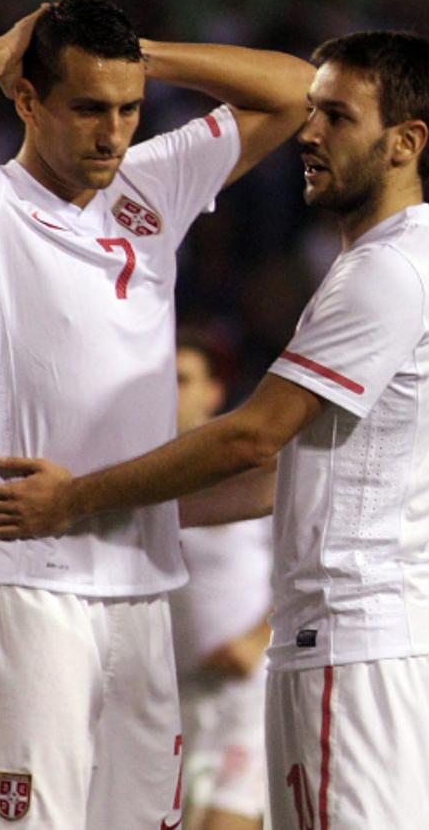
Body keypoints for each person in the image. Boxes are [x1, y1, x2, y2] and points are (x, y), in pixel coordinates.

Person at [0, 30, 429, 830]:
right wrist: (121, 512)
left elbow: (253, 438)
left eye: (336, 117)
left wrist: (78, 500)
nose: (308, 133)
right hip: (349, 636)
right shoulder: (390, 262)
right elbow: (285, 473)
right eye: (315, 115)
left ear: (406, 142)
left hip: (357, 632)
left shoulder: (388, 273)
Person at [0, 0, 313, 828]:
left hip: (142, 596)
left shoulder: (151, 182)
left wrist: (143, 55)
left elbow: (298, 90)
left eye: (127, 109)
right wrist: (10, 44)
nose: (112, 131)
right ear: (27, 98)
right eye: (87, 108)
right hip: (25, 580)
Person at [170, 332, 272, 830]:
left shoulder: (246, 465)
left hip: (242, 690)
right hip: (166, 693)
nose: (171, 392)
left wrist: (258, 640)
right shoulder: (129, 473)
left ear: (213, 392)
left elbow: (303, 562)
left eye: (182, 380)